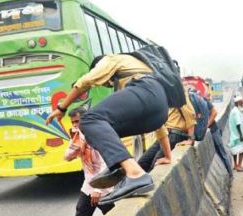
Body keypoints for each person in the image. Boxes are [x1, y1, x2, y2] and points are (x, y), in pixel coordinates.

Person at [45, 54, 172, 204]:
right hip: (159, 110)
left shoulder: (111, 59)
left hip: (146, 89)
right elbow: (160, 127)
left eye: (105, 83)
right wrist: (168, 156)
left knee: (89, 121)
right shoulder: (133, 75)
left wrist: (62, 107)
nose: (106, 85)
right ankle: (118, 166)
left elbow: (86, 81)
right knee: (104, 127)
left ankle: (135, 173)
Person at [64, 107, 114, 216]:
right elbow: (67, 157)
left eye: (77, 121)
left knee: (112, 211)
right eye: (73, 122)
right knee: (81, 211)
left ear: (85, 119)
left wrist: (98, 190)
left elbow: (105, 164)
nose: (75, 125)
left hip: (103, 185)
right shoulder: (79, 138)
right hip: (89, 183)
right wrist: (75, 143)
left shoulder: (97, 135)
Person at [138, 90, 196, 172]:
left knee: (155, 166)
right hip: (164, 135)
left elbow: (190, 115)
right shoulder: (164, 94)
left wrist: (191, 139)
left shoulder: (178, 92)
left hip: (174, 135)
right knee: (142, 163)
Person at [204, 95, 233, 176]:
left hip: (214, 131)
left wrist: (207, 125)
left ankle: (230, 174)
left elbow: (214, 112)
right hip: (210, 132)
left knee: (222, 153)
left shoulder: (204, 101)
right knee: (219, 154)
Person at [228, 95, 243, 172]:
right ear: (238, 102)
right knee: (242, 149)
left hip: (234, 134)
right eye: (241, 102)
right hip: (238, 135)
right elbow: (238, 124)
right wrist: (241, 135)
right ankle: (239, 165)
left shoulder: (234, 111)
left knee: (235, 150)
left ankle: (235, 165)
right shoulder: (236, 112)